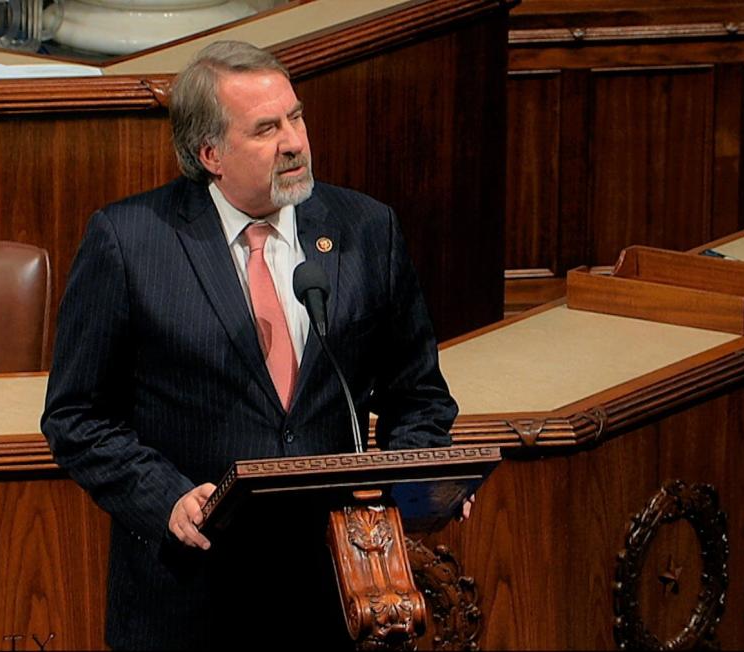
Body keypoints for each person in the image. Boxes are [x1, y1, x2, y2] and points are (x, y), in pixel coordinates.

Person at [41, 40, 458, 651]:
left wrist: (415, 480)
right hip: (189, 595)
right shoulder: (129, 242)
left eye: (296, 117)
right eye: (266, 129)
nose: (294, 141)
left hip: (333, 592)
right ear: (210, 153)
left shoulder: (366, 230)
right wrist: (168, 499)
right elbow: (75, 416)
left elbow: (419, 395)